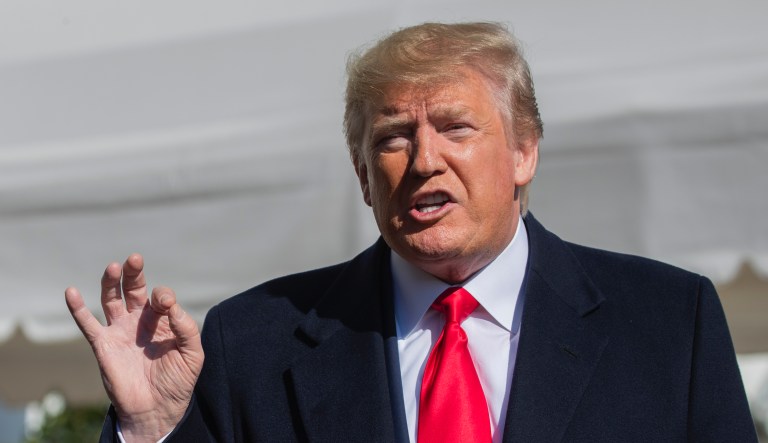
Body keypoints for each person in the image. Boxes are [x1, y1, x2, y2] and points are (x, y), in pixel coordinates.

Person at [65, 22, 757, 442]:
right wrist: (151, 430)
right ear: (364, 176)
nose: (425, 160)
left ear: (524, 152)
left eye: (455, 126)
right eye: (394, 136)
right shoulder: (252, 343)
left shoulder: (669, 324)